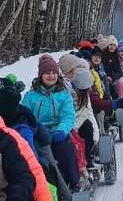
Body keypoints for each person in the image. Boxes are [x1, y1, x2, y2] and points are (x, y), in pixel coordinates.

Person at [20, 54, 80, 190]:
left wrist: (62, 130)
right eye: (47, 73)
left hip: (57, 134)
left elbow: (68, 115)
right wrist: (30, 132)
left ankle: (73, 183)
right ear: (41, 75)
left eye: (54, 73)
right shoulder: (30, 96)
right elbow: (24, 116)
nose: (51, 76)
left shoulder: (63, 94)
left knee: (66, 151)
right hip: (38, 136)